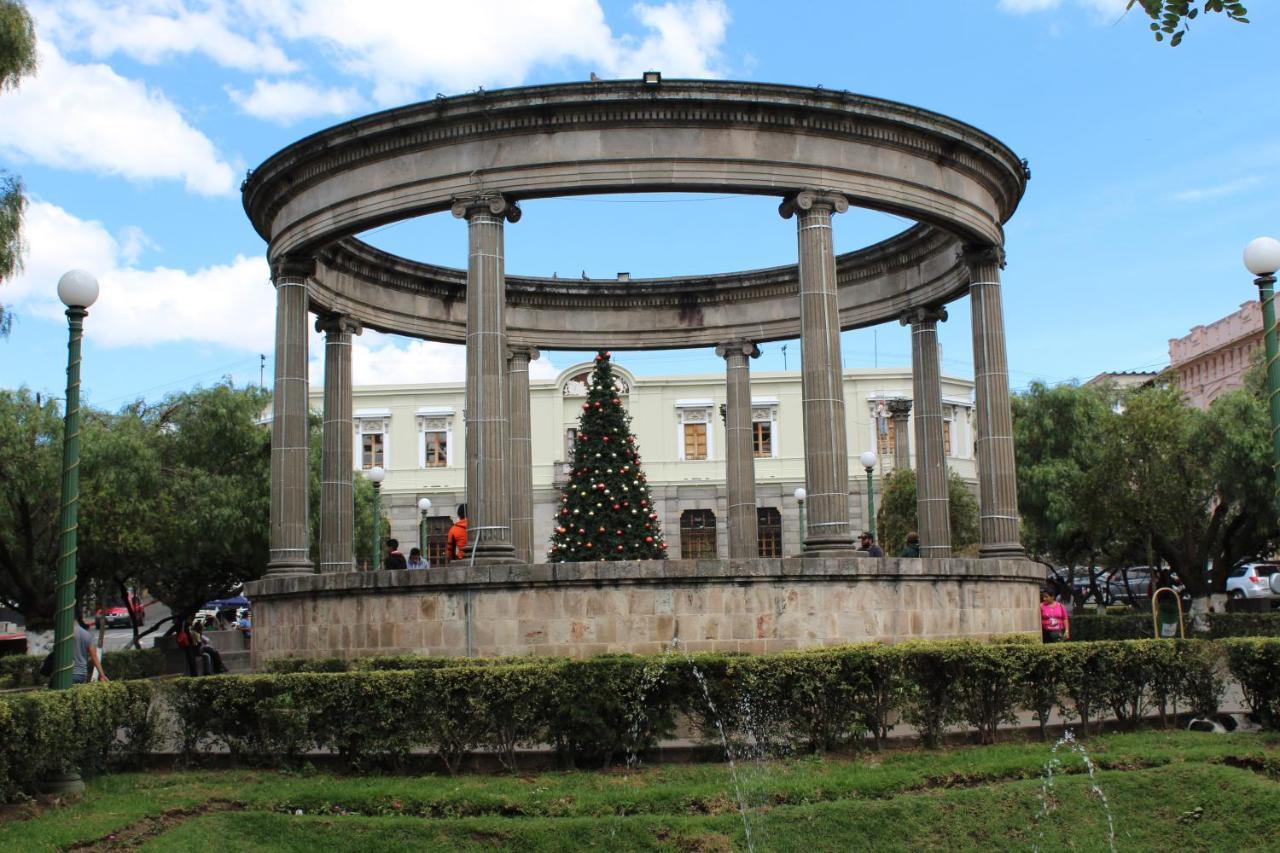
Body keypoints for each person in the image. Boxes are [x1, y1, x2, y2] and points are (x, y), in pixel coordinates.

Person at [72, 611, 109, 684]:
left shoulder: (66, 634)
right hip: (82, 673)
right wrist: (102, 675)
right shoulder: (87, 635)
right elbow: (94, 656)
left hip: (68, 673)